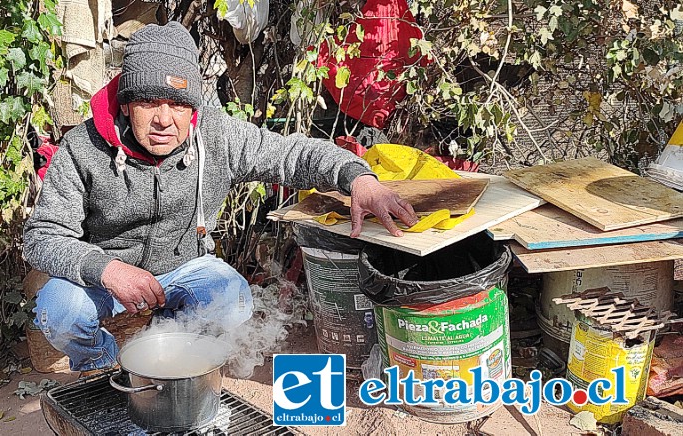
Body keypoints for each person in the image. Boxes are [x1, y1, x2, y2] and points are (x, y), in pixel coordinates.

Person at [23, 22, 418, 374]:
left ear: (193, 107)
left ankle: (177, 360)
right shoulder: (83, 147)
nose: (165, 119)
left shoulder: (216, 135)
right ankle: (103, 366)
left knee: (231, 301)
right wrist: (107, 269)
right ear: (125, 103)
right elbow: (41, 238)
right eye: (148, 102)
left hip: (185, 268)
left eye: (179, 103)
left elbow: (294, 154)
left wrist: (359, 179)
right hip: (104, 276)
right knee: (61, 313)